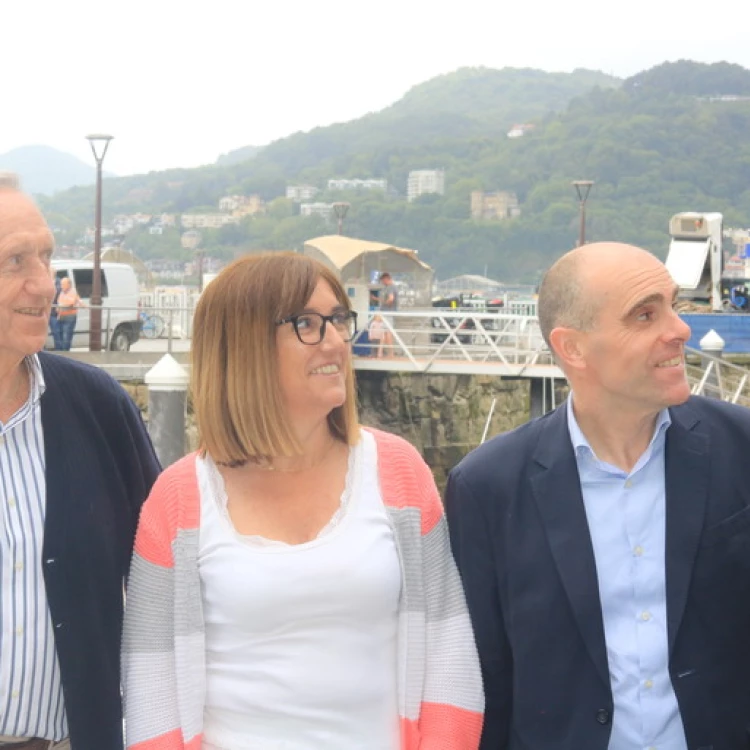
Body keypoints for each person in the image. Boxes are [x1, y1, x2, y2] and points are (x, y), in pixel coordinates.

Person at [122, 252, 483, 750]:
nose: (337, 340)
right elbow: (150, 690)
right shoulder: (179, 500)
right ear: (244, 346)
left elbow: (450, 657)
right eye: (308, 324)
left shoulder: (398, 472)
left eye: (338, 319)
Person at [445, 242, 750, 749]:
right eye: (645, 314)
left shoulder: (742, 448)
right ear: (573, 348)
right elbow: (485, 678)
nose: (679, 329)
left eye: (674, 305)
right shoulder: (488, 487)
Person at [0, 174, 161, 750]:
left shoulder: (98, 406)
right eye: (15, 261)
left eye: (45, 256)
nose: (45, 284)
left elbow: (164, 581)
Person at [55, 276, 83, 351]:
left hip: (69, 317)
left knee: (66, 336)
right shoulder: (62, 293)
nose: (61, 286)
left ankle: (65, 353)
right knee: (60, 335)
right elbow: (59, 303)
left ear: (69, 285)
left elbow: (70, 303)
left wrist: (60, 306)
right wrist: (58, 307)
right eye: (61, 284)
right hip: (61, 316)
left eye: (63, 284)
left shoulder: (73, 292)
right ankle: (61, 353)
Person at [379, 271, 398, 356]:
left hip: (388, 312)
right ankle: (382, 352)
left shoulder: (390, 287)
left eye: (383, 280)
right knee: (385, 332)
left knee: (387, 332)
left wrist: (387, 303)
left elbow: (391, 298)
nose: (382, 282)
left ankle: (390, 353)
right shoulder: (390, 287)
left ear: (386, 279)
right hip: (387, 312)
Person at [48, 273, 62, 350]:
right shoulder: (45, 281)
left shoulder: (58, 283)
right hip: (45, 313)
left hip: (53, 313)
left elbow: (59, 292)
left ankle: (59, 349)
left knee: (56, 332)